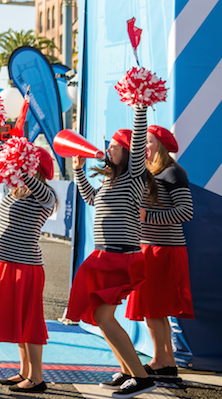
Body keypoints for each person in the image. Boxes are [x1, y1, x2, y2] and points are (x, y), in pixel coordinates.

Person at [70, 98, 157, 399]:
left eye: (114, 146)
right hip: (107, 254)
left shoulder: (135, 175)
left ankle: (142, 377)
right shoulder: (112, 180)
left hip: (120, 255)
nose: (108, 150)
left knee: (104, 317)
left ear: (128, 152)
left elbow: (138, 131)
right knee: (99, 315)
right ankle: (127, 371)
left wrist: (140, 106)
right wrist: (79, 170)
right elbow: (91, 199)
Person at [0, 127, 57, 393]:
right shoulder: (18, 188)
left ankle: (38, 378)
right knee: (17, 322)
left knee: (30, 323)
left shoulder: (46, 195)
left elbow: (18, 170)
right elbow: (2, 157)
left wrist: (19, 164)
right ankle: (25, 371)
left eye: (26, 163)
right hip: (4, 263)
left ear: (35, 168)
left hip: (26, 265)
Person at [127, 126, 193, 381]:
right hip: (151, 249)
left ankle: (160, 361)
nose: (144, 146)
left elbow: (186, 212)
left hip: (164, 251)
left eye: (149, 141)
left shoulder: (173, 173)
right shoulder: (150, 173)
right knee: (155, 310)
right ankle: (166, 361)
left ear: (161, 146)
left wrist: (147, 216)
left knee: (154, 310)